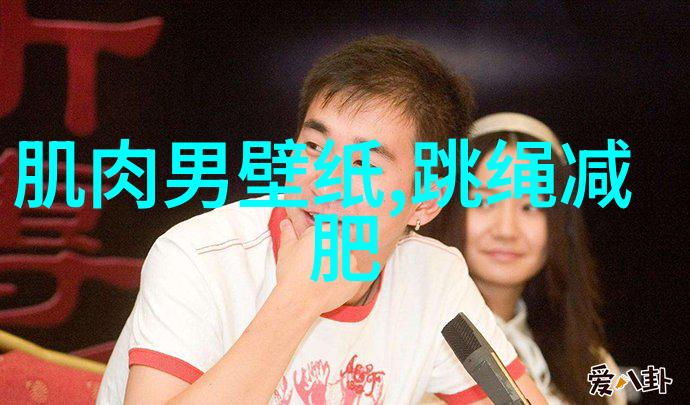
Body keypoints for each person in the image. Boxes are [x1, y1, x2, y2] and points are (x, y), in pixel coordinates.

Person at [96, 37, 546, 404]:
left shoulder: (434, 277)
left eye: (363, 164)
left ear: (426, 201)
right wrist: (296, 300)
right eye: (313, 147)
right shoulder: (199, 257)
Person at [423, 112, 626, 404]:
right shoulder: (412, 344)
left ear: (560, 224)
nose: (506, 230)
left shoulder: (594, 366)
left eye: (530, 207)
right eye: (483, 201)